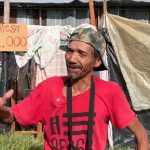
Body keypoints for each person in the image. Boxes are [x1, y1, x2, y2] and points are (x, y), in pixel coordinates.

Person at [0, 24, 149, 150]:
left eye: (81, 54)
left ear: (97, 61)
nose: (72, 58)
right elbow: (12, 117)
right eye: (70, 51)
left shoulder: (110, 92)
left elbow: (141, 134)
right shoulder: (49, 87)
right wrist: (1, 110)